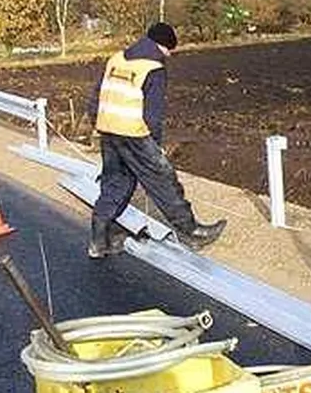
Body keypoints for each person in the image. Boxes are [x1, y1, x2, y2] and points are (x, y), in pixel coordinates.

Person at [86, 22, 226, 258]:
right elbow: (153, 114)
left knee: (115, 183)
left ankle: (99, 241)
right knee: (163, 179)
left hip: (108, 130)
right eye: (170, 50)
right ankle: (191, 232)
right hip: (134, 133)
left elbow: (96, 97)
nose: (169, 55)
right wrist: (156, 147)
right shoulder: (154, 68)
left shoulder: (116, 59)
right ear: (164, 46)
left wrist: (98, 125)